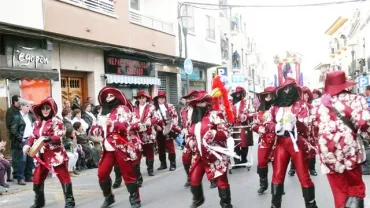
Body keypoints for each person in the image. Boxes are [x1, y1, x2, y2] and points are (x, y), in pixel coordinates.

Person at [311, 71, 369, 208]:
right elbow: (364, 123)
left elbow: (313, 127)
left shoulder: (316, 104)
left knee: (339, 192)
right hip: (350, 151)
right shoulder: (355, 99)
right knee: (355, 188)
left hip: (328, 153)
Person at [265, 77, 317, 208]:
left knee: (303, 175)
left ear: (295, 90)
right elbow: (268, 122)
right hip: (281, 142)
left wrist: (296, 123)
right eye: (285, 88)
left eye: (290, 88)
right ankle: (275, 205)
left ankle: (311, 205)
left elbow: (307, 125)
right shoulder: (276, 107)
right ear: (281, 90)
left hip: (297, 142)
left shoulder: (301, 105)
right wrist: (274, 127)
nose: (288, 91)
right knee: (277, 174)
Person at [23, 97, 75, 208]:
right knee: (37, 179)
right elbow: (32, 136)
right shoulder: (37, 122)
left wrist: (47, 138)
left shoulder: (57, 122)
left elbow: (59, 138)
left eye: (47, 108)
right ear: (40, 110)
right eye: (43, 108)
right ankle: (39, 201)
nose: (45, 110)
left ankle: (70, 201)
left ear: (51, 109)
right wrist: (27, 145)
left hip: (55, 155)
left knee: (64, 177)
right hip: (41, 155)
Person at [186, 90, 233, 208]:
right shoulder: (192, 118)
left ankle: (226, 203)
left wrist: (214, 133)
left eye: (202, 102)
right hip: (199, 155)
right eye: (197, 102)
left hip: (215, 155)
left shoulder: (215, 114)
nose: (200, 104)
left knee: (221, 181)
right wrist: (191, 143)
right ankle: (198, 199)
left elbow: (226, 132)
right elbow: (188, 135)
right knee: (194, 178)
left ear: (207, 102)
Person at [97, 86, 141, 208]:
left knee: (128, 174)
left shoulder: (123, 109)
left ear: (116, 97)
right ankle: (109, 197)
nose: (108, 98)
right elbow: (98, 128)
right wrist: (96, 129)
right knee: (102, 174)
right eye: (107, 96)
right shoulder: (103, 111)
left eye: (111, 96)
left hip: (121, 147)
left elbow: (125, 126)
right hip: (107, 148)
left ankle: (134, 197)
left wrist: (112, 124)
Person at [252, 87, 276, 194]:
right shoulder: (259, 112)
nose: (268, 97)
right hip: (263, 141)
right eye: (266, 95)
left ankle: (278, 185)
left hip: (277, 141)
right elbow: (253, 125)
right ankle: (263, 184)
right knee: (261, 162)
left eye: (270, 95)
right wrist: (259, 129)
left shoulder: (279, 109)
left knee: (278, 164)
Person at [131, 91, 159, 180]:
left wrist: (150, 121)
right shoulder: (134, 109)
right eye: (140, 98)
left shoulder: (151, 107)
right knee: (137, 152)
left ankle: (150, 169)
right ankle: (137, 172)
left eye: (143, 98)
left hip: (148, 132)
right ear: (138, 99)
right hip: (137, 133)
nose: (142, 99)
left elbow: (156, 118)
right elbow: (131, 119)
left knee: (149, 151)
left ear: (146, 98)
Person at [153, 91, 180, 171]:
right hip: (159, 130)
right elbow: (152, 119)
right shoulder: (153, 108)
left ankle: (173, 164)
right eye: (160, 97)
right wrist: (156, 126)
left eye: (163, 97)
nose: (161, 99)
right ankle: (163, 164)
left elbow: (175, 117)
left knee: (170, 147)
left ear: (165, 99)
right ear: (157, 99)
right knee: (160, 147)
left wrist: (170, 125)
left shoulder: (170, 106)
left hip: (168, 129)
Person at [230, 86, 255, 168]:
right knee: (235, 144)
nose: (238, 95)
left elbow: (253, 113)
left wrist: (246, 116)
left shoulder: (248, 102)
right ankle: (236, 161)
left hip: (245, 126)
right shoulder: (232, 103)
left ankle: (244, 159)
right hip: (235, 126)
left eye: (239, 93)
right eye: (236, 94)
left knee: (244, 144)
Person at [179, 90, 198, 188]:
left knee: (204, 158)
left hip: (200, 137)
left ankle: (212, 179)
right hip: (188, 139)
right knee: (185, 158)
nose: (190, 100)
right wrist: (183, 130)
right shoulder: (183, 111)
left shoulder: (201, 109)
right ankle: (189, 178)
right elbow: (183, 124)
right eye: (189, 98)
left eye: (192, 98)